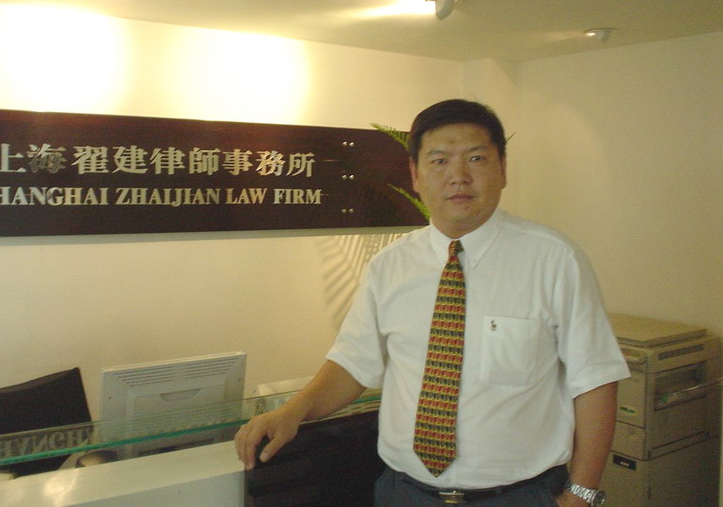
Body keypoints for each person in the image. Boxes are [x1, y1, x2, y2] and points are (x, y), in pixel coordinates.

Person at [235, 99, 629, 506]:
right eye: (439, 161)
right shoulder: (389, 266)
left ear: (502, 169)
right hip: (405, 493)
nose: (458, 176)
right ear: (415, 175)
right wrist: (292, 412)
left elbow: (595, 380)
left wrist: (581, 494)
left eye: (476, 158)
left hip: (519, 495)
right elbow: (353, 364)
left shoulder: (555, 260)